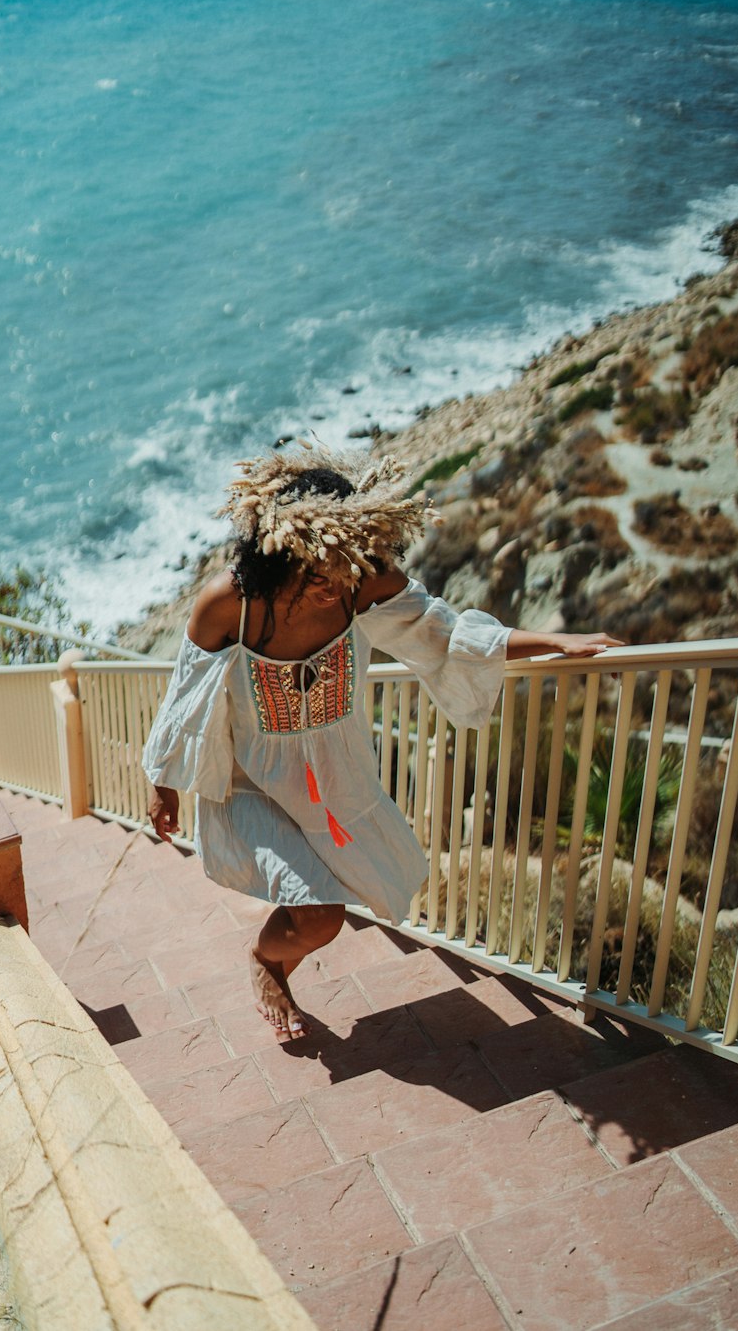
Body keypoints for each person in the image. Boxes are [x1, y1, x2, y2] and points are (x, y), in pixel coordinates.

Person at [143, 445, 621, 1042]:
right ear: (280, 554)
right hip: (253, 782)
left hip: (337, 780)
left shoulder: (365, 586)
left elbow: (447, 637)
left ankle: (272, 959)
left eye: (347, 569)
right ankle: (266, 962)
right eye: (317, 572)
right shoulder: (228, 604)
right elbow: (185, 697)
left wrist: (556, 641)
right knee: (321, 917)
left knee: (325, 904)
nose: (334, 586)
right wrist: (163, 787)